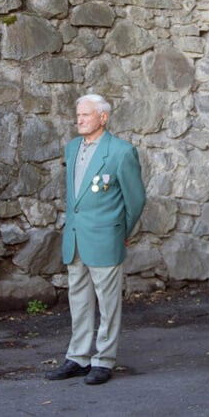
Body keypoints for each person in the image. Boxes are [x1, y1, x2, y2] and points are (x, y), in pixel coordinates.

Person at [45, 94, 146, 386]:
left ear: (103, 118)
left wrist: (121, 232)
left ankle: (104, 360)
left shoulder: (121, 152)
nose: (79, 120)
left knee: (108, 303)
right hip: (76, 238)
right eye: (77, 115)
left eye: (86, 115)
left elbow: (136, 199)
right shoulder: (72, 148)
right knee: (79, 301)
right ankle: (78, 357)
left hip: (105, 239)